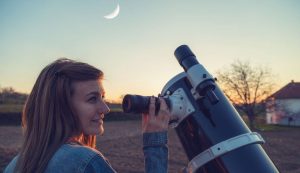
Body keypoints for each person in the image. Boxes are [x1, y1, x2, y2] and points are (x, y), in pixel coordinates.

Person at [4, 58, 170, 173]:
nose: (105, 109)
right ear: (61, 107)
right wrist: (154, 142)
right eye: (92, 99)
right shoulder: (84, 161)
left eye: (103, 98)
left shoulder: (14, 165)